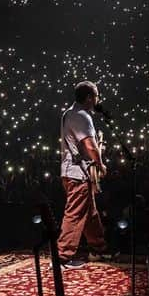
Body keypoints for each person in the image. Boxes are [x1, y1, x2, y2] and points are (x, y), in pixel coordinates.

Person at [58, 80, 117, 269]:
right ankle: (62, 257)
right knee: (74, 214)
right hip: (78, 174)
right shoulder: (82, 116)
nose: (98, 99)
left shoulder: (69, 113)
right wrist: (100, 164)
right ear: (89, 97)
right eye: (97, 95)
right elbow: (90, 145)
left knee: (90, 213)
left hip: (72, 172)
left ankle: (98, 249)